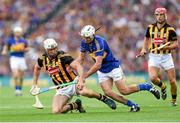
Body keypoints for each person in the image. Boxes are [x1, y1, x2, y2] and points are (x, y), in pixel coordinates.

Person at [76, 25, 161, 112]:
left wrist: (84, 76)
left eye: (87, 37)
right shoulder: (84, 42)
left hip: (113, 67)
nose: (86, 39)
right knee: (108, 92)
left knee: (124, 90)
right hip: (102, 71)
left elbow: (98, 65)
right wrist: (76, 70)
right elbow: (81, 59)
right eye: (84, 37)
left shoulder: (99, 43)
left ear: (93, 35)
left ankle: (147, 86)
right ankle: (133, 105)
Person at [30, 38, 116, 114]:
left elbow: (78, 66)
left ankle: (104, 98)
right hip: (61, 89)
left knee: (85, 92)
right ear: (46, 50)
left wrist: (81, 80)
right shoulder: (42, 59)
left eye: (54, 48)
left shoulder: (63, 56)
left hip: (73, 83)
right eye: (50, 49)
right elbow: (37, 68)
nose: (53, 51)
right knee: (57, 111)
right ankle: (77, 105)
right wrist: (34, 85)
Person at [139, 8, 178, 106]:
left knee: (172, 81)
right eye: (157, 15)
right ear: (155, 15)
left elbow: (176, 44)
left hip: (166, 56)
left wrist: (167, 46)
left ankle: (174, 100)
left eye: (161, 15)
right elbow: (146, 38)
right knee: (152, 78)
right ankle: (163, 87)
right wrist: (144, 49)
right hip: (154, 56)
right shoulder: (150, 27)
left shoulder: (170, 29)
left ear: (165, 15)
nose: (159, 17)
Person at [1, 26, 29, 96]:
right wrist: (4, 51)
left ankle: (20, 88)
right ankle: (17, 89)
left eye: (19, 32)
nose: (18, 33)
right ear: (14, 33)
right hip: (14, 58)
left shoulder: (24, 40)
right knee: (16, 74)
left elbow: (27, 48)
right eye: (16, 32)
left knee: (21, 75)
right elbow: (6, 47)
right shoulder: (10, 40)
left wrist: (23, 49)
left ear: (21, 33)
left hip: (21, 58)